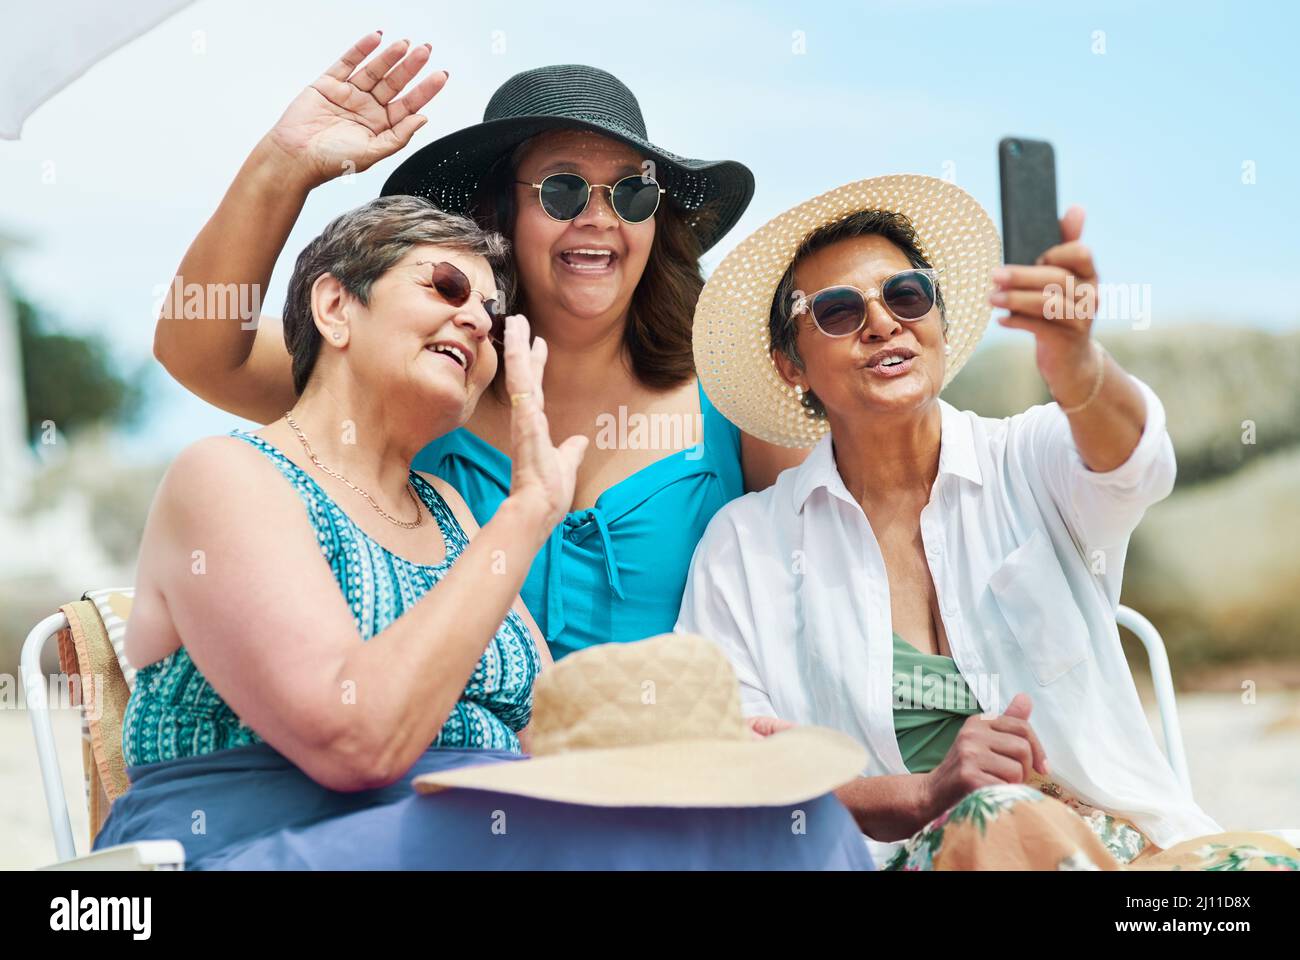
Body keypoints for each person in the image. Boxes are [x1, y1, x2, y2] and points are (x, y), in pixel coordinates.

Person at [98, 196, 870, 870]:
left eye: (492, 312)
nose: (475, 317)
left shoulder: (452, 514)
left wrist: (705, 747)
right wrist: (531, 509)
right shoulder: (229, 477)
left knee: (797, 828)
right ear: (336, 308)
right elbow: (354, 742)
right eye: (446, 286)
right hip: (270, 835)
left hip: (484, 820)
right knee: (584, 842)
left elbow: (544, 738)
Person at [679, 174, 1300, 870]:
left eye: (907, 295)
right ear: (790, 364)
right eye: (837, 311)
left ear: (939, 318)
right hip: (913, 857)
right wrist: (922, 794)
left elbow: (1136, 466)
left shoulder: (1027, 459)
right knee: (1002, 817)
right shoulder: (747, 548)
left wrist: (1077, 364)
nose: (883, 322)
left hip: (1123, 856)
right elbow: (741, 774)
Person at [151, 31, 804, 662]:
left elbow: (812, 587)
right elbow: (202, 353)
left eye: (633, 193)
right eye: (563, 189)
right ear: (499, 215)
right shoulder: (418, 375)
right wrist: (283, 167)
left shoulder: (736, 387)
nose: (600, 217)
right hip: (455, 762)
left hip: (679, 762)